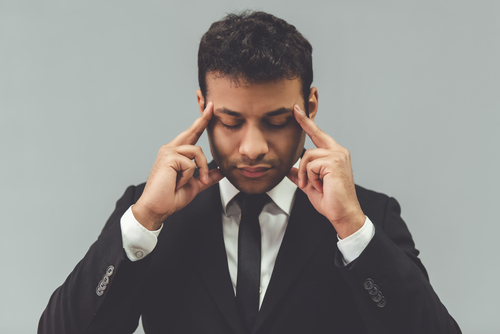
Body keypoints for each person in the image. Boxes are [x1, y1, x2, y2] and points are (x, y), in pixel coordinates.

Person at [39, 11, 461, 334]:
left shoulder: (369, 215)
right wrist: (144, 220)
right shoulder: (150, 212)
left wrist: (351, 226)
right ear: (203, 106)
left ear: (310, 107)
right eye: (230, 121)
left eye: (277, 121)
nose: (253, 147)